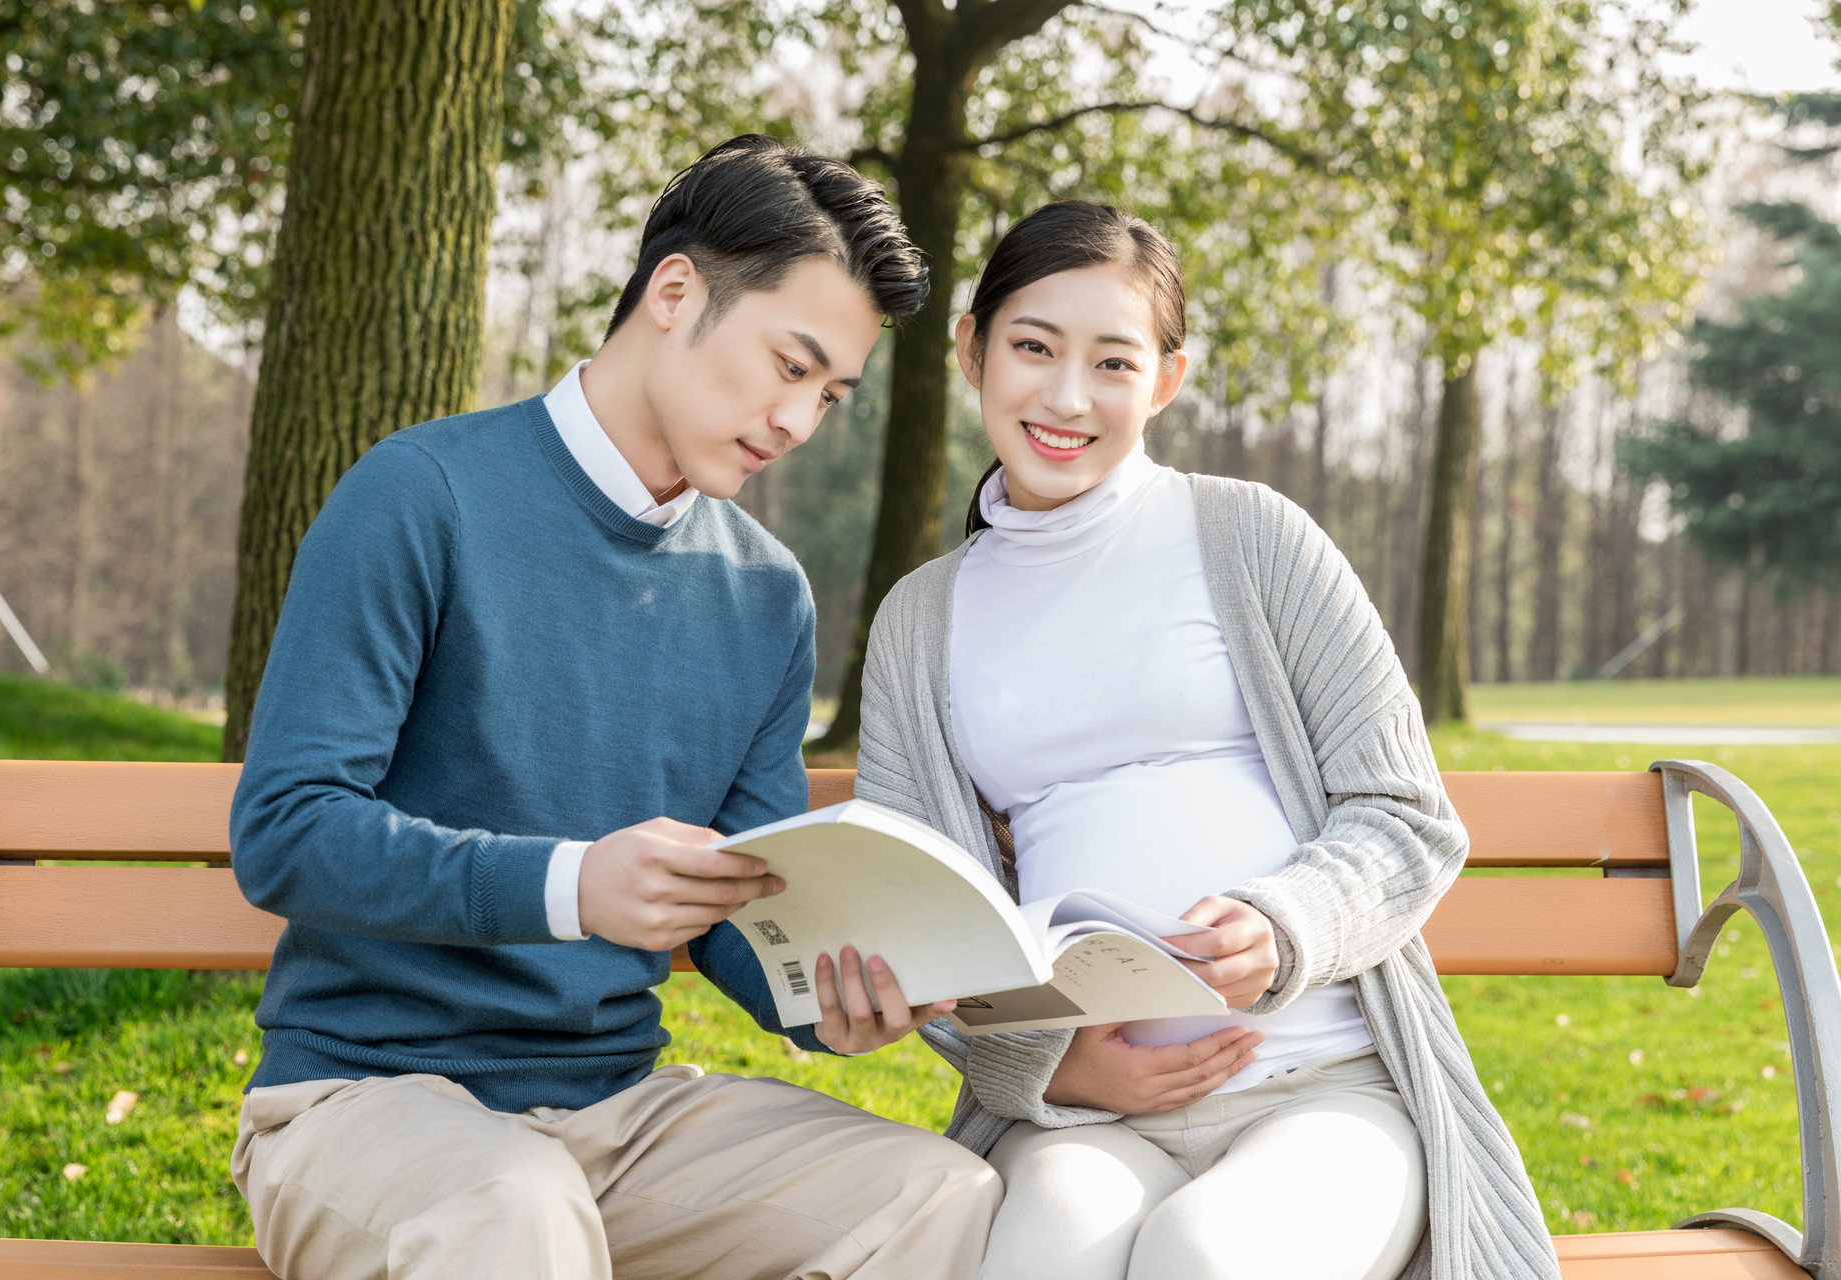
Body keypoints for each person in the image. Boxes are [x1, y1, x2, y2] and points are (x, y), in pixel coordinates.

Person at [227, 135, 1001, 1280]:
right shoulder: (422, 494)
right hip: (364, 1100)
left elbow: (737, 897)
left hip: (618, 1117)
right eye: (788, 365)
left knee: (937, 1192)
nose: (799, 419)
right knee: (516, 1212)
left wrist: (824, 994)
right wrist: (573, 882)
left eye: (830, 394)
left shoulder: (763, 593)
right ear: (674, 292)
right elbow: (286, 829)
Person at [853, 200, 1559, 1280]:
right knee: (1038, 1259)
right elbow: (926, 917)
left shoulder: (1252, 537)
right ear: (972, 348)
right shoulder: (921, 617)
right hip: (1087, 1119)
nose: (1066, 396)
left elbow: (1408, 816)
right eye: (1033, 346)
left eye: (1114, 362)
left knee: (1206, 1257)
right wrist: (1063, 1067)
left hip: (1327, 1086)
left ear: (1167, 381)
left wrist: (1285, 926)